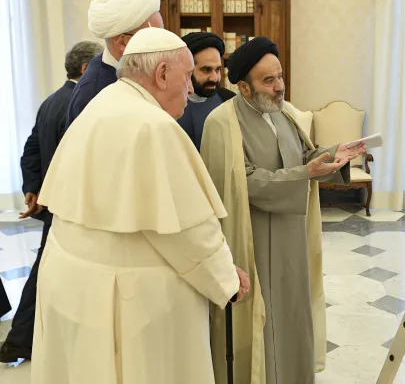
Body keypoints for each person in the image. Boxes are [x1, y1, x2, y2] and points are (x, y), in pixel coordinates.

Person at [30, 27, 250, 384]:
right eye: (186, 75)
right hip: (127, 302)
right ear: (162, 74)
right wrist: (226, 278)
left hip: (72, 286)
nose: (192, 88)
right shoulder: (154, 126)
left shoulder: (102, 102)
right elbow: (187, 232)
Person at [200, 36, 366, 384]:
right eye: (268, 80)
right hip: (253, 243)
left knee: (291, 316)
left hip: (291, 239)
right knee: (260, 324)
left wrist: (337, 153)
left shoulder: (285, 113)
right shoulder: (221, 123)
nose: (279, 87)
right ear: (243, 87)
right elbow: (242, 183)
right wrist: (303, 174)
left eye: (280, 76)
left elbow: (304, 158)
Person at [0, 41, 103, 364]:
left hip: (55, 203)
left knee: (47, 272)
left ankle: (23, 340)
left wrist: (34, 188)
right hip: (73, 207)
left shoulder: (50, 101)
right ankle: (24, 341)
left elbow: (31, 149)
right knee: (50, 274)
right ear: (87, 69)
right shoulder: (82, 103)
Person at [65, 0, 163, 127]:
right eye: (152, 36)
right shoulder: (93, 92)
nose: (161, 43)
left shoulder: (130, 72)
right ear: (121, 42)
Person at [177, 32, 236, 150]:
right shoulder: (167, 105)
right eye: (206, 70)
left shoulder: (230, 101)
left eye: (218, 69)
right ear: (187, 69)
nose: (214, 78)